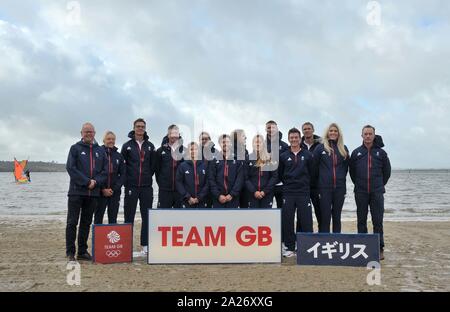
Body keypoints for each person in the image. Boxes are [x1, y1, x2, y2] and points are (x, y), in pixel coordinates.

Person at [66, 122, 107, 261]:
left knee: (86, 223)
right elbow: (71, 168)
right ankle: (70, 252)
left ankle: (82, 251)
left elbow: (105, 171)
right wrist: (86, 182)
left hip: (93, 193)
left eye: (91, 131)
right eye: (86, 131)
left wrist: (95, 182)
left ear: (95, 133)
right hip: (76, 193)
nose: (89, 134)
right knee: (72, 222)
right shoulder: (75, 148)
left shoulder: (100, 151)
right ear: (81, 133)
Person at [350, 125, 391, 261]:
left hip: (376, 192)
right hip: (360, 192)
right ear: (361, 136)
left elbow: (387, 172)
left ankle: (379, 248)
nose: (368, 136)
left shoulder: (381, 153)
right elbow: (352, 173)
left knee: (377, 221)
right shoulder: (356, 153)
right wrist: (360, 184)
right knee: (361, 220)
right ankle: (363, 247)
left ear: (374, 135)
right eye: (365, 134)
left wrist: (378, 185)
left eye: (370, 134)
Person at [121, 118, 157, 256]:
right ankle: (126, 245)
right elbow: (123, 166)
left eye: (142, 126)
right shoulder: (127, 146)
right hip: (131, 186)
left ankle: (145, 245)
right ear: (134, 128)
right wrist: (127, 180)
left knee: (146, 216)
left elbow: (153, 165)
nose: (140, 128)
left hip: (146, 186)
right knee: (128, 216)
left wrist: (147, 176)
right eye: (138, 126)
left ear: (145, 128)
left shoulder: (150, 146)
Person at [279, 128, 315, 258]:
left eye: (296, 137)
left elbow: (312, 174)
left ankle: (306, 246)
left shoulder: (308, 155)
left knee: (306, 220)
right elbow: (280, 174)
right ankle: (289, 247)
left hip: (303, 192)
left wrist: (305, 185)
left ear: (300, 139)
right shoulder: (283, 156)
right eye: (292, 137)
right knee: (287, 220)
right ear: (289, 139)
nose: (294, 140)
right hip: (288, 192)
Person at [313, 123, 349, 233]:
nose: (333, 133)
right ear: (327, 133)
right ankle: (325, 241)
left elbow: (345, 168)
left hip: (339, 188)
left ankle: (336, 241)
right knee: (325, 217)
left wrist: (341, 179)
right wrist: (318, 186)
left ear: (339, 134)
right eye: (331, 131)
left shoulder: (343, 148)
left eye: (335, 131)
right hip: (324, 189)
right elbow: (314, 169)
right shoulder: (320, 148)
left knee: (337, 217)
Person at [94, 131, 126, 224]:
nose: (111, 141)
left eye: (113, 139)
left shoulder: (119, 156)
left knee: (113, 218)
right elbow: (95, 173)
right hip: (100, 192)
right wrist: (103, 189)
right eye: (108, 139)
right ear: (104, 140)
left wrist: (114, 189)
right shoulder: (98, 153)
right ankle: (98, 238)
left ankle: (111, 238)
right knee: (98, 217)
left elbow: (123, 174)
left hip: (114, 193)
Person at [209, 134, 244, 208]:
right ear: (219, 144)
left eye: (227, 142)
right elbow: (211, 179)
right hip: (218, 199)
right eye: (223, 142)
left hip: (233, 198)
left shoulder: (237, 160)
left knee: (232, 219)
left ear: (231, 143)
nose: (225, 144)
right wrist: (218, 195)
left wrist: (232, 194)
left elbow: (240, 179)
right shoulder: (214, 160)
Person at [245, 135, 278, 208]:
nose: (257, 144)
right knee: (254, 218)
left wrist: (264, 191)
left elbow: (274, 176)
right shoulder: (248, 158)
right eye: (255, 142)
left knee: (265, 217)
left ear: (263, 144)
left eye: (259, 142)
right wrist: (254, 191)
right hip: (252, 194)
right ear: (252, 144)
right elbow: (246, 178)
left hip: (267, 194)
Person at [156, 125, 184, 208]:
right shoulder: (160, 151)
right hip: (165, 190)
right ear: (168, 135)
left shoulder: (185, 151)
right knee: (163, 217)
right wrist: (162, 183)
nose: (174, 136)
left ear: (179, 135)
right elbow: (157, 170)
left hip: (180, 190)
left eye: (176, 133)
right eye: (171, 133)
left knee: (179, 218)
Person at [301, 122, 322, 232]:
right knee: (302, 214)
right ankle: (302, 237)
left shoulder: (321, 144)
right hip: (303, 186)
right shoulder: (299, 145)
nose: (307, 131)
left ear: (313, 130)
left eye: (309, 128)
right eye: (304, 129)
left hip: (317, 185)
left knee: (320, 213)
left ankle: (321, 235)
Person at [176, 142, 209, 208]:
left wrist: (199, 197)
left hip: (201, 201)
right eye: (191, 149)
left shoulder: (204, 165)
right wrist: (188, 197)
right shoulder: (182, 166)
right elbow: (179, 182)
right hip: (187, 201)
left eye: (195, 149)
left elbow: (208, 183)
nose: (193, 151)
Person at [265, 120, 289, 209]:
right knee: (267, 211)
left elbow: (288, 165)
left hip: (282, 184)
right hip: (267, 185)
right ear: (265, 129)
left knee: (283, 211)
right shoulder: (262, 145)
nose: (271, 129)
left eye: (273, 127)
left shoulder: (285, 146)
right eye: (268, 127)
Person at [231, 129, 249, 208]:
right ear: (237, 137)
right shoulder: (230, 151)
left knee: (244, 212)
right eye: (243, 136)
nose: (246, 138)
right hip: (233, 188)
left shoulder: (245, 151)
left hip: (245, 187)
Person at [199, 131, 216, 208]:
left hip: (214, 189)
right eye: (202, 139)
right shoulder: (195, 153)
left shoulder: (217, 153)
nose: (204, 140)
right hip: (200, 189)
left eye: (206, 139)